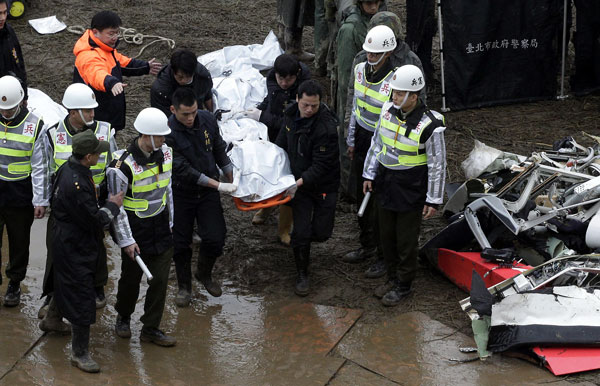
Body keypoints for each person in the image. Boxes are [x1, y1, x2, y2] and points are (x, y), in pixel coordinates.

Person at [362, 65, 446, 307]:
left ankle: (404, 284)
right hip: (386, 183)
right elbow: (376, 144)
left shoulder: (431, 125)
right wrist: (369, 173)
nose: (394, 97)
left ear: (414, 96)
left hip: (411, 189)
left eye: (399, 93)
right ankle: (391, 276)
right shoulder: (388, 110)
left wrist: (433, 199)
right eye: (394, 92)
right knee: (385, 235)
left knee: (405, 240)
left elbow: (437, 164)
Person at [33, 83, 117, 320]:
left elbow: (113, 167)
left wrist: (111, 200)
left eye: (92, 110)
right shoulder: (51, 134)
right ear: (72, 112)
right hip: (63, 204)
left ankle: (97, 287)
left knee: (97, 246)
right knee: (56, 249)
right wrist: (40, 200)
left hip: (94, 199)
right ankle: (52, 295)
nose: (92, 114)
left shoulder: (106, 132)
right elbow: (42, 168)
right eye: (87, 110)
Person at [50, 130, 123, 372]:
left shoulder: (69, 168)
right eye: (98, 153)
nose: (100, 156)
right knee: (82, 293)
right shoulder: (77, 183)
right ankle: (79, 353)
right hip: (75, 245)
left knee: (64, 281)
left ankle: (52, 319)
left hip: (64, 239)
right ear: (88, 156)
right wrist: (112, 205)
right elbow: (96, 221)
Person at [108, 107, 176, 347]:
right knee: (130, 278)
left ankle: (151, 327)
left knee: (159, 280)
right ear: (146, 136)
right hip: (136, 231)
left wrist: (171, 223)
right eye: (160, 136)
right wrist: (126, 240)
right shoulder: (121, 166)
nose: (164, 140)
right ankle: (123, 317)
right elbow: (117, 209)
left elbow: (167, 190)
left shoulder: (166, 154)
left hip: (161, 227)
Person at [165, 88, 236, 307]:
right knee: (180, 243)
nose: (190, 118)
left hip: (207, 193)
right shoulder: (167, 133)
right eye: (185, 114)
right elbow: (182, 169)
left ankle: (204, 273)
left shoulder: (206, 119)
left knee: (216, 237)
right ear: (173, 110)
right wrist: (218, 185)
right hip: (181, 192)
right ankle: (184, 286)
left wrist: (231, 176)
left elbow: (218, 148)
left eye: (193, 112)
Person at [275, 80, 340, 296]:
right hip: (299, 186)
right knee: (301, 232)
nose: (309, 109)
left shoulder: (326, 128)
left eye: (314, 105)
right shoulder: (290, 116)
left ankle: (303, 244)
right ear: (298, 100)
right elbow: (282, 144)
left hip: (322, 185)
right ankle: (302, 272)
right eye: (305, 105)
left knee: (322, 233)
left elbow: (321, 166)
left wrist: (297, 183)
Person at [343, 25, 396, 279]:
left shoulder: (393, 81)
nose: (370, 57)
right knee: (358, 193)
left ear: (388, 53)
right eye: (368, 53)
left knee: (378, 202)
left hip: (383, 143)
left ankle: (383, 257)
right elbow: (355, 106)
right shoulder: (359, 70)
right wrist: (352, 139)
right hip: (363, 139)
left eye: (376, 54)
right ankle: (366, 245)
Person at [243, 54, 310, 244]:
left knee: (288, 181)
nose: (284, 83)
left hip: (294, 141)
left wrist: (262, 116)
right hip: (274, 137)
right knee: (271, 174)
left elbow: (289, 122)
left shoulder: (304, 93)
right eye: (280, 78)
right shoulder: (272, 79)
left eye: (288, 79)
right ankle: (266, 208)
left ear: (297, 75)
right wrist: (257, 110)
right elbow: (271, 100)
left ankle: (284, 228)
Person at [73, 10, 162, 133]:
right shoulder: (88, 55)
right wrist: (111, 83)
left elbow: (122, 63)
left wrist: (145, 66)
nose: (115, 37)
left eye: (117, 33)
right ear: (95, 32)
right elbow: (96, 73)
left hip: (108, 114)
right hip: (96, 119)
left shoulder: (105, 49)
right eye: (111, 34)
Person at [335, 0, 385, 200]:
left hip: (370, 89)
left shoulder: (377, 18)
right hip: (353, 88)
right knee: (347, 134)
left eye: (377, 3)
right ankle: (349, 189)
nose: (374, 7)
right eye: (369, 3)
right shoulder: (351, 28)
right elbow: (346, 69)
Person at [0, 75, 42, 306]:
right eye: (3, 110)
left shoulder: (34, 126)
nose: (6, 113)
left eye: (10, 109)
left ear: (21, 102)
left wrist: (40, 200)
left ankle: (14, 283)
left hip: (20, 195)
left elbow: (40, 167)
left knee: (19, 242)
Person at [150, 48, 214, 116]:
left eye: (188, 76)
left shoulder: (202, 76)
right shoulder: (161, 90)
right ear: (173, 71)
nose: (184, 81)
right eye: (180, 77)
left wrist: (213, 115)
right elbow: (162, 117)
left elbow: (207, 96)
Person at [0, 0, 27, 99]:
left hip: (12, 94)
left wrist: (24, 95)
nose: (2, 18)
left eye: (5, 12)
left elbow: (19, 64)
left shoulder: (9, 33)